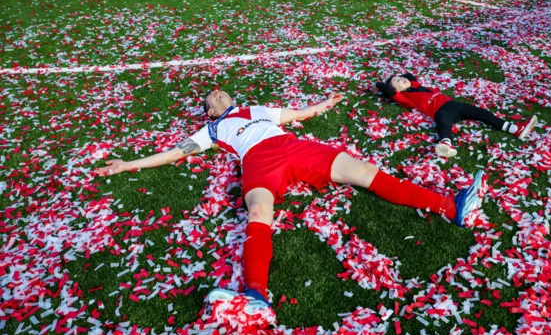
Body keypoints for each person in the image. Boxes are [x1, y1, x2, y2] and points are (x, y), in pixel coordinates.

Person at [96, 88, 485, 315]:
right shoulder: (211, 128)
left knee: (365, 173)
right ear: (209, 110)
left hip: (294, 147)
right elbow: (174, 154)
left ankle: (452, 208)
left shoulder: (258, 109)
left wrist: (325, 104)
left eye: (218, 90)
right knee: (258, 212)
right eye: (210, 96)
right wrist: (127, 164)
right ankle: (255, 297)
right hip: (258, 162)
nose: (216, 91)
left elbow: (297, 113)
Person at [373, 73, 538, 158]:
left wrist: (400, 78)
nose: (401, 79)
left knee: (481, 113)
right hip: (439, 110)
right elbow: (386, 88)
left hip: (453, 104)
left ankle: (514, 129)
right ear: (396, 91)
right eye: (397, 81)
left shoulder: (416, 85)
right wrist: (379, 86)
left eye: (400, 78)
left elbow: (409, 75)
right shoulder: (404, 97)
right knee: (444, 124)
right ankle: (446, 144)